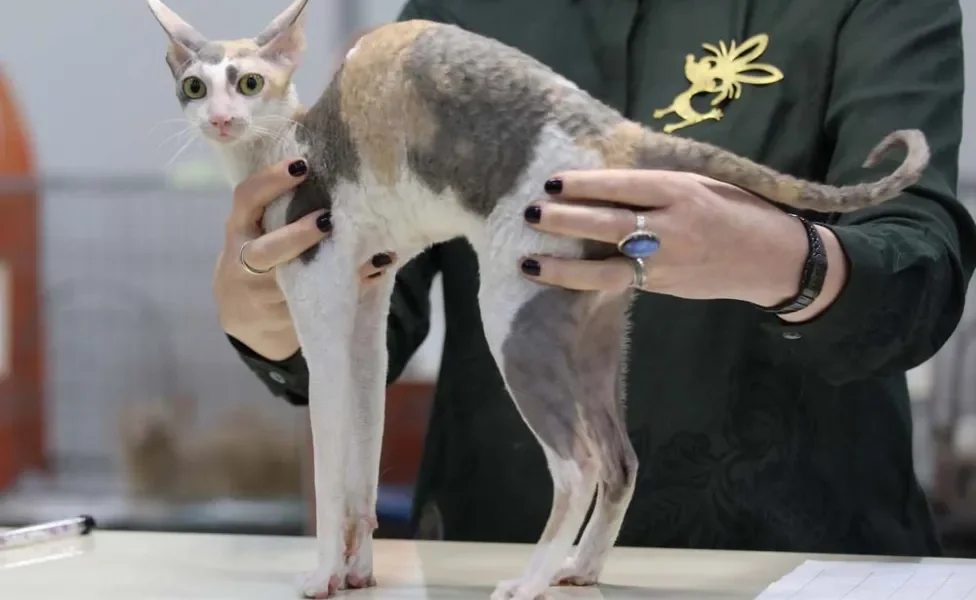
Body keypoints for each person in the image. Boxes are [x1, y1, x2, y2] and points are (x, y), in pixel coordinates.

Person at [216, 0, 976, 556]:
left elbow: (921, 275)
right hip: (496, 553)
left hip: (795, 552)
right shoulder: (458, 10)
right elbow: (376, 305)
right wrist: (270, 309)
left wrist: (786, 259)